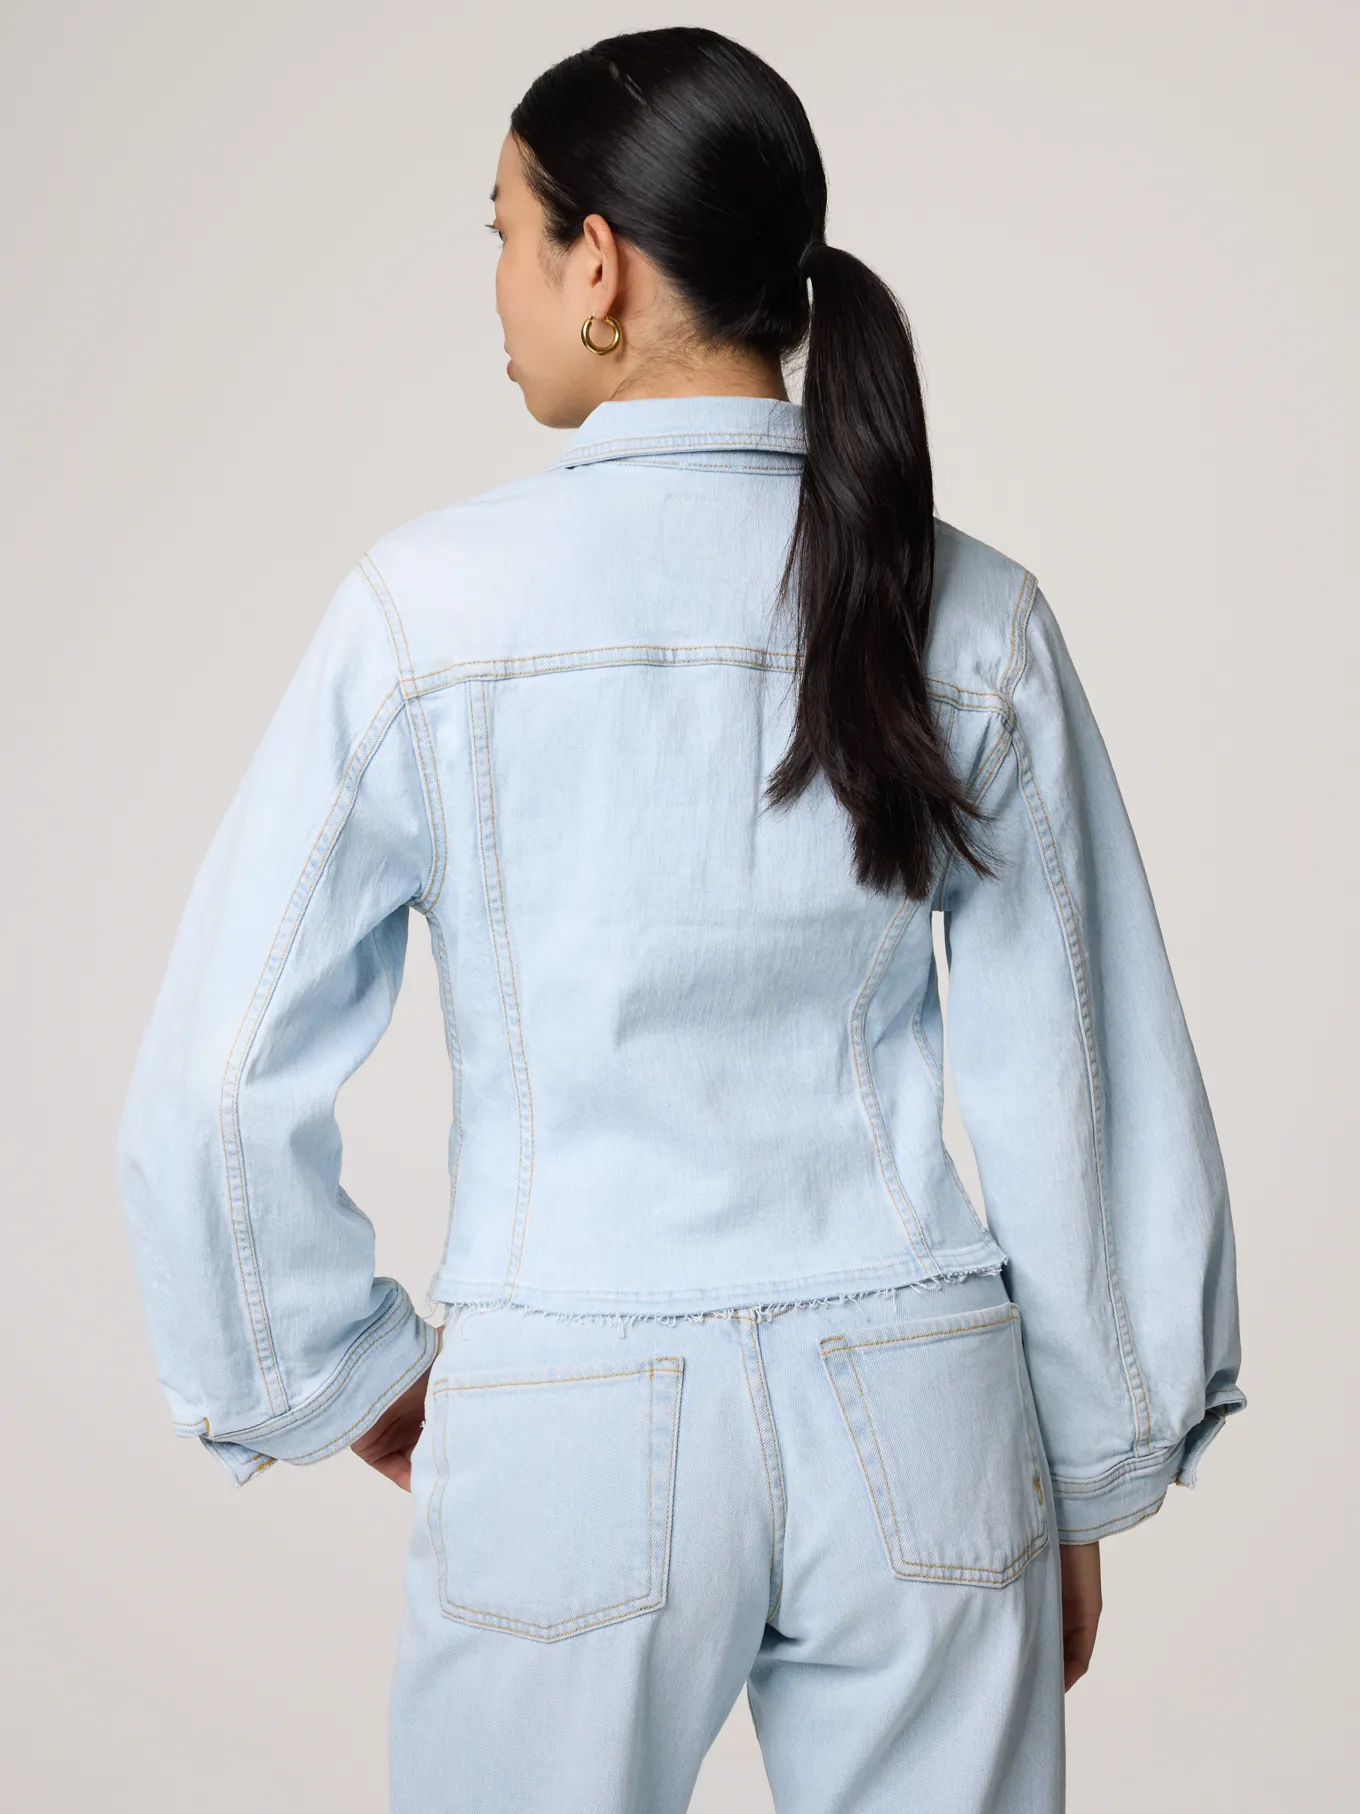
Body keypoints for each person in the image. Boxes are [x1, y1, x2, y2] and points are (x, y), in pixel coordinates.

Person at [116, 25, 1245, 1813]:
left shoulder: (427, 614)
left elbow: (213, 1082)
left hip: (564, 1398)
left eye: (504, 231)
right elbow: (1082, 1078)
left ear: (601, 266)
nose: (494, 284)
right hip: (921, 1409)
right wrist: (1090, 1458)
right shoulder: (970, 610)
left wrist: (332, 1369)